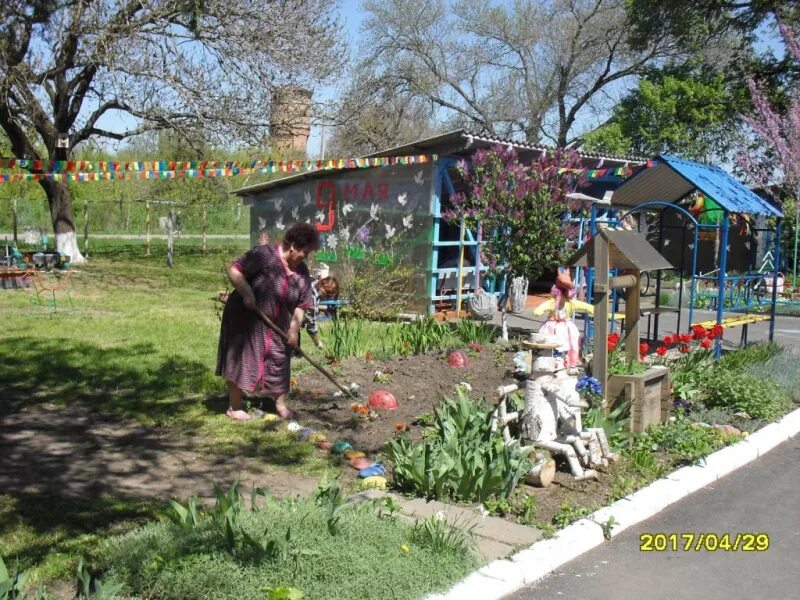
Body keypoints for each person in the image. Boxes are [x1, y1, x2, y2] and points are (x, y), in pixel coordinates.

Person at [216, 222, 320, 421]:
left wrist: (294, 330)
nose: (305, 257)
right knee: (243, 357)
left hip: (278, 324)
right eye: (304, 252)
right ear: (293, 247)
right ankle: (234, 406)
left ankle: (280, 405)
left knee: (280, 358)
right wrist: (247, 293)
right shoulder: (264, 256)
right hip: (246, 319)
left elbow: (302, 304)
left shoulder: (302, 272)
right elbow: (235, 270)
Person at [532, 268, 594, 368]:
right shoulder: (568, 302)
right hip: (565, 326)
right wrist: (593, 309)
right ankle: (562, 361)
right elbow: (586, 307)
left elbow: (537, 311)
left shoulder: (554, 302)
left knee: (562, 342)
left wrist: (538, 311)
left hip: (554, 326)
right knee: (568, 342)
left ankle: (558, 361)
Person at [303, 276, 339, 349]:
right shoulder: (312, 299)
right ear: (324, 290)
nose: (326, 298)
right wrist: (317, 342)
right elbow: (311, 325)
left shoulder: (310, 279)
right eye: (328, 296)